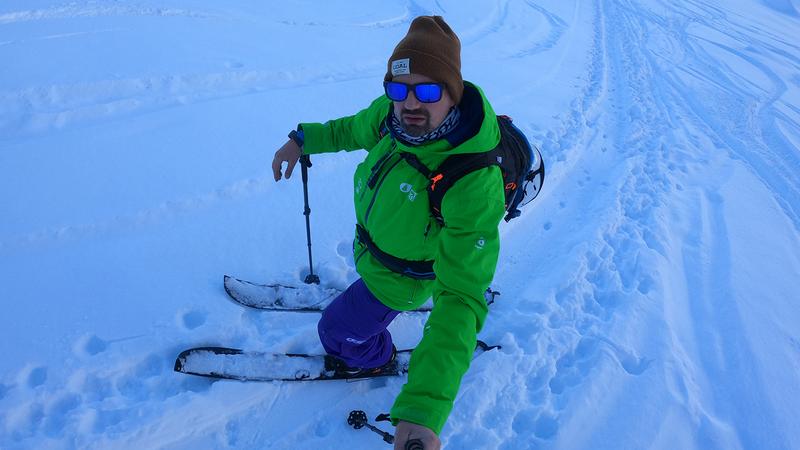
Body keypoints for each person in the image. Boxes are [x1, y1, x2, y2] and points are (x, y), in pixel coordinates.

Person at [272, 16, 505, 450]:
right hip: (375, 255)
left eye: (428, 91)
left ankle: (374, 356)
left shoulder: (472, 181)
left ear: (453, 96)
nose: (410, 103)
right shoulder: (391, 119)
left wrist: (423, 411)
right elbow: (348, 129)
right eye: (399, 89)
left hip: (402, 282)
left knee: (335, 333)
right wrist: (302, 139)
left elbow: (460, 299)